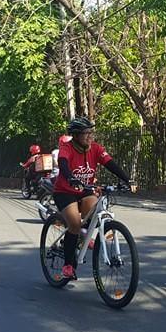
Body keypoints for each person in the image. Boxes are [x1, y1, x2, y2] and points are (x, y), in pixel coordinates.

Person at [53, 117, 134, 280]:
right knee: (75, 224)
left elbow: (111, 164)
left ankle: (79, 237)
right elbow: (63, 163)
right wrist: (70, 178)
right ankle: (68, 265)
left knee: (96, 215)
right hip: (65, 191)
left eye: (91, 132)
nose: (90, 136)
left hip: (85, 190)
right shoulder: (66, 147)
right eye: (86, 133)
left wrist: (128, 180)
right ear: (75, 135)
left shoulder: (96, 148)